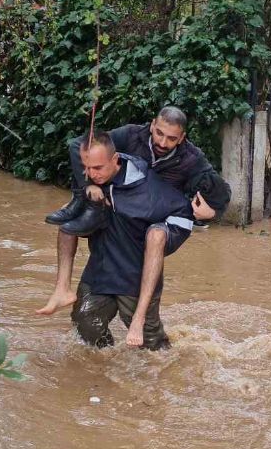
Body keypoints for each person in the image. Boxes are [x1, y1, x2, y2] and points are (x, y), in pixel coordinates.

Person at [36, 107, 231, 347]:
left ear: (182, 138)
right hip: (125, 212)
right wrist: (86, 187)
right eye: (159, 133)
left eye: (171, 138)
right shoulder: (130, 136)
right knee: (86, 319)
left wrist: (212, 213)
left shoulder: (192, 158)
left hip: (163, 217)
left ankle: (142, 325)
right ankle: (100, 352)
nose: (162, 142)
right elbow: (83, 146)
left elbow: (221, 191)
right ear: (151, 125)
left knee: (155, 236)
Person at [55, 131, 194, 350]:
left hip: (134, 279)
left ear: (115, 159)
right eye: (87, 168)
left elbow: (184, 213)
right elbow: (70, 226)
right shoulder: (89, 184)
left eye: (98, 168)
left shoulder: (148, 189)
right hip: (100, 273)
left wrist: (164, 234)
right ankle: (106, 369)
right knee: (85, 324)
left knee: (153, 350)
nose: (92, 174)